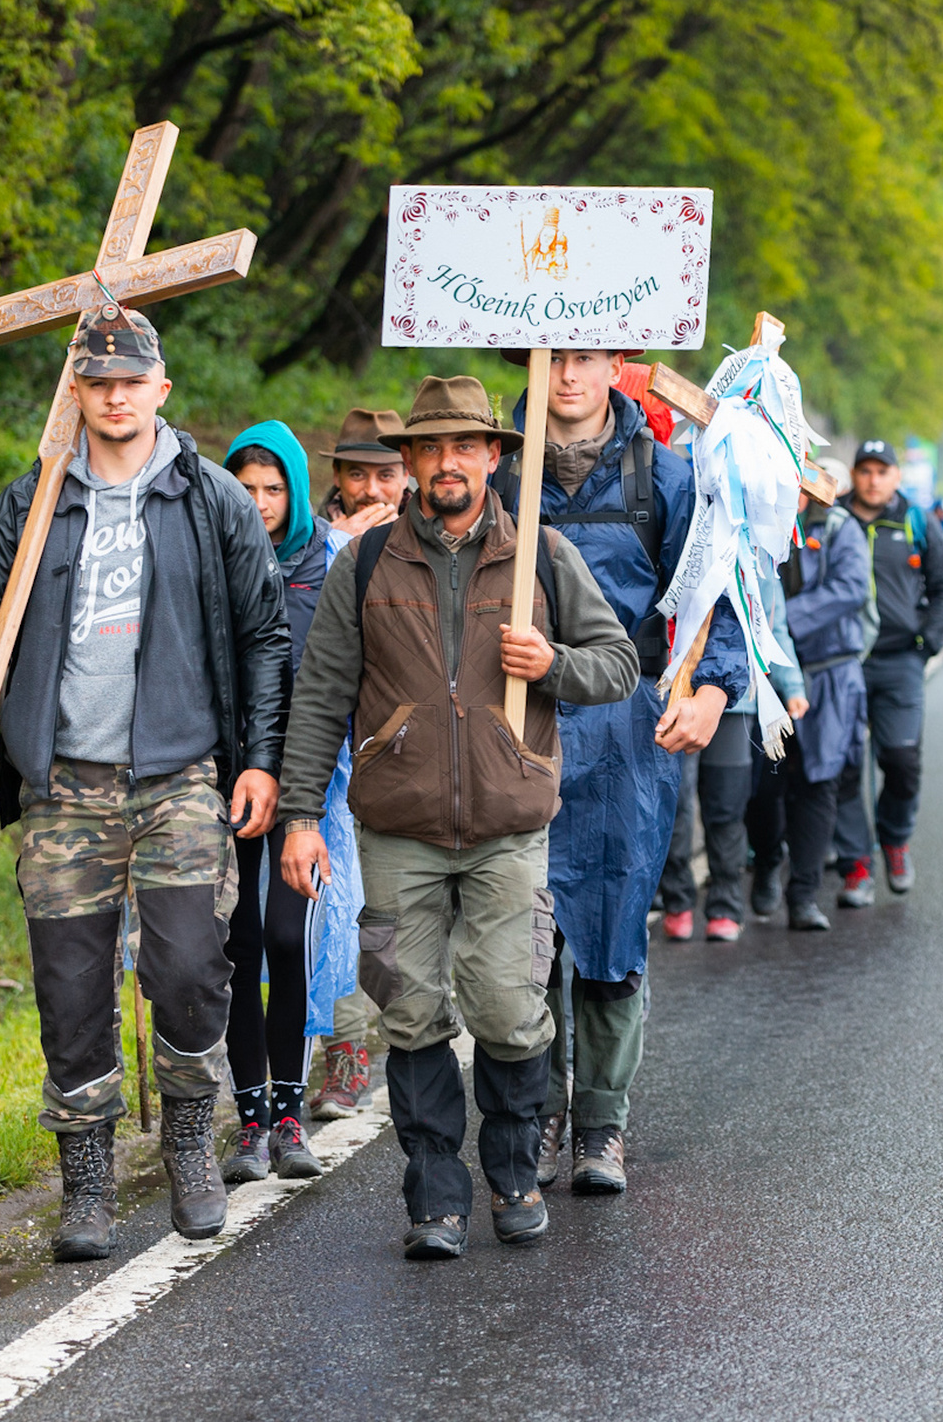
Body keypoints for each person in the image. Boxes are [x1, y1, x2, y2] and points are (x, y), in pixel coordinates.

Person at [0, 302, 289, 1263]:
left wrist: (259, 760)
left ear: (161, 388)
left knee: (185, 969)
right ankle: (85, 1184)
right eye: (98, 381)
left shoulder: (209, 498)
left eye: (132, 380)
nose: (116, 395)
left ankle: (187, 1138)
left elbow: (264, 636)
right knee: (70, 988)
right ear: (76, 392)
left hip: (179, 778)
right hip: (64, 787)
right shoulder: (34, 502)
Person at [276, 375, 639, 1261]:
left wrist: (550, 660)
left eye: (465, 447)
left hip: (509, 828)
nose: (447, 463)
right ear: (407, 465)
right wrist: (299, 815)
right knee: (408, 1010)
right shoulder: (364, 565)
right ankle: (435, 1198)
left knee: (510, 1009)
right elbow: (322, 693)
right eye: (430, 448)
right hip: (396, 829)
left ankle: (513, 1175)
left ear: (492, 458)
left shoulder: (543, 558)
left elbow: (618, 664)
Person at [493, 348, 748, 1199]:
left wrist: (714, 687)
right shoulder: (496, 471)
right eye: (551, 357)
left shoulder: (667, 477)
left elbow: (719, 589)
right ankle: (537, 1117)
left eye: (585, 358)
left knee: (607, 926)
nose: (566, 375)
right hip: (515, 721)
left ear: (616, 366)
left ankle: (602, 1123)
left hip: (626, 726)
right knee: (523, 934)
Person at [217, 421, 364, 1183]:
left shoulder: (326, 563)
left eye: (274, 488)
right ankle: (247, 1119)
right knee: (238, 944)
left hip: (307, 775)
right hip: (225, 775)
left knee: (287, 936)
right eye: (245, 488)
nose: (260, 502)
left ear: (297, 492)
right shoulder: (213, 559)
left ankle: (289, 1112)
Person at [306, 408, 407, 1122]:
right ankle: (345, 1052)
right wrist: (344, 550)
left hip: (412, 748)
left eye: (385, 473)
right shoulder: (309, 545)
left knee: (399, 912)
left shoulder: (428, 542)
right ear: (336, 477)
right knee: (336, 904)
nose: (371, 486)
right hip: (332, 749)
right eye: (356, 473)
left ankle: (416, 1018)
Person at [829, 439, 943, 904]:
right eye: (865, 470)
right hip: (841, 659)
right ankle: (855, 864)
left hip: (900, 658)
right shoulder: (833, 517)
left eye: (883, 471)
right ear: (854, 475)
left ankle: (895, 839)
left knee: (901, 760)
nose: (874, 479)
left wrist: (929, 642)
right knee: (842, 762)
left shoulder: (916, 522)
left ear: (897, 477)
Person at [660, 554, 809, 942]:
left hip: (734, 702)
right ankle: (676, 899)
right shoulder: (675, 533)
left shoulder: (751, 549)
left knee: (727, 805)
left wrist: (791, 687)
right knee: (676, 804)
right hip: (674, 694)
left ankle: (725, 903)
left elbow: (773, 628)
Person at [745, 470, 871, 928]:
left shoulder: (840, 527)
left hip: (828, 673)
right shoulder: (750, 524)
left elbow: (851, 589)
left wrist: (776, 623)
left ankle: (804, 896)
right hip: (767, 676)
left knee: (819, 784)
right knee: (764, 785)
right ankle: (765, 866)